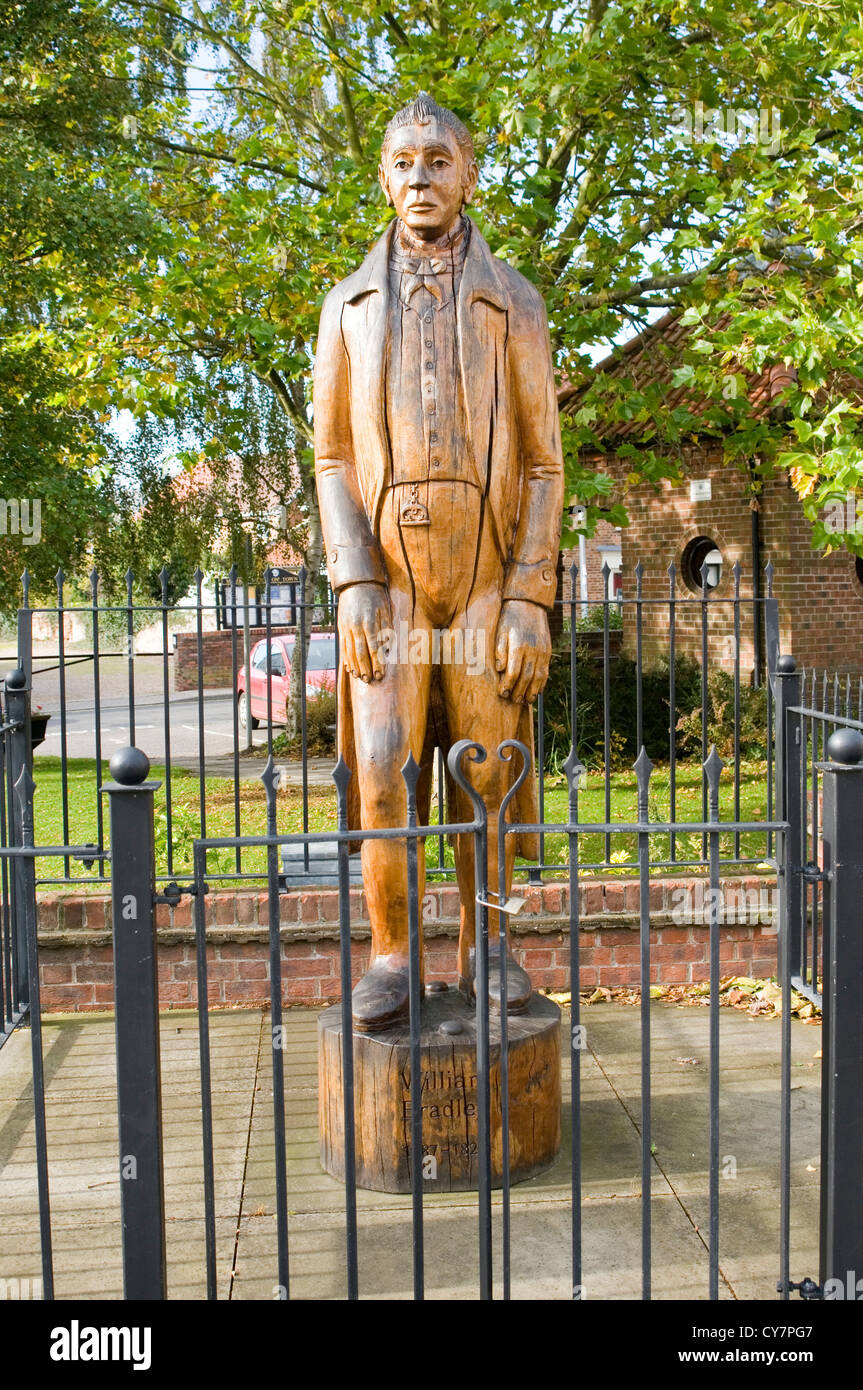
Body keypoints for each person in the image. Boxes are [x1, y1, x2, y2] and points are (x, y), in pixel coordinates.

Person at [314, 93, 563, 1031]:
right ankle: (387, 954)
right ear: (382, 177)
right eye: (403, 162)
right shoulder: (346, 308)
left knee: (488, 768)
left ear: (468, 173)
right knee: (382, 763)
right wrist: (354, 579)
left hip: (487, 580)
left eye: (438, 161)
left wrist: (530, 596)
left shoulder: (516, 305)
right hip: (392, 582)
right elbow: (330, 456)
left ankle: (488, 946)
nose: (420, 178)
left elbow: (544, 461)